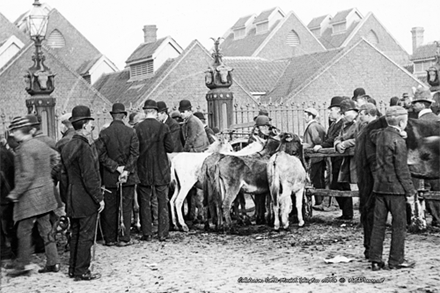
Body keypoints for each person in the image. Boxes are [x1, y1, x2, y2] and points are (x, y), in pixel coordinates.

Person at [6, 115, 60, 277]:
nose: (12, 134)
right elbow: (56, 157)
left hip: (31, 198)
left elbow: (27, 175)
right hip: (46, 195)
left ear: (19, 131)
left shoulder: (23, 149)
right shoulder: (40, 144)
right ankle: (53, 262)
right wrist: (46, 176)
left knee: (23, 230)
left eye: (14, 130)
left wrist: (15, 194)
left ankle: (23, 265)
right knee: (46, 229)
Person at [369, 106, 416, 271]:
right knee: (399, 225)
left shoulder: (380, 135)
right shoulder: (399, 141)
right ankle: (396, 260)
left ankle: (375, 260)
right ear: (402, 122)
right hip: (396, 190)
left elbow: (372, 134)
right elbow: (402, 170)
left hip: (379, 187)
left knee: (378, 224)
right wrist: (410, 191)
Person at [61, 105, 104, 281]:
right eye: (91, 125)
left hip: (72, 196)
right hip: (85, 198)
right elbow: (90, 178)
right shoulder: (85, 148)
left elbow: (62, 175)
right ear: (85, 125)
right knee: (86, 235)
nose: (91, 128)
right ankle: (82, 271)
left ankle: (73, 268)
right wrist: (99, 199)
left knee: (76, 233)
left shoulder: (67, 146)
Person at [98, 103, 139, 247]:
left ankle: (109, 239)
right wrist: (126, 170)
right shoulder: (131, 132)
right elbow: (135, 154)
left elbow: (101, 155)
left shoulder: (104, 133)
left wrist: (116, 167)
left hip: (110, 176)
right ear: (124, 116)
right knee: (126, 206)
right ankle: (124, 238)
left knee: (110, 208)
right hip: (127, 177)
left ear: (111, 115)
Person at [135, 99, 174, 241]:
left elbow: (135, 149)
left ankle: (147, 233)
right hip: (161, 169)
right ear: (156, 112)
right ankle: (163, 233)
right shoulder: (163, 128)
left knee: (144, 201)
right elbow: (170, 148)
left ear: (145, 112)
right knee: (162, 201)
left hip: (143, 169)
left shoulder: (138, 128)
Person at [314, 96, 350, 213]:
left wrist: (322, 146)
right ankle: (346, 212)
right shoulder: (334, 124)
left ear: (339, 110)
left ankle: (347, 212)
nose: (329, 112)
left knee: (340, 184)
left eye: (332, 110)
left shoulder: (342, 123)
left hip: (340, 158)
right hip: (334, 158)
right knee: (337, 184)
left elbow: (333, 139)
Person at [411, 88, 440, 227]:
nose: (413, 105)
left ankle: (434, 219)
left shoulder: (418, 123)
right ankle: (436, 219)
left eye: (415, 103)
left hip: (425, 163)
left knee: (426, 189)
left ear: (422, 104)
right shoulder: (437, 119)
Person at [334, 99, 359, 220]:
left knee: (361, 184)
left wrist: (344, 144)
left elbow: (359, 139)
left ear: (353, 112)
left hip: (358, 160)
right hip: (346, 160)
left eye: (345, 113)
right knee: (342, 184)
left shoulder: (359, 123)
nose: (343, 116)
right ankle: (347, 213)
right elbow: (338, 137)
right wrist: (338, 143)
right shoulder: (345, 125)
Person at [302, 108, 326, 207]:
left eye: (306, 115)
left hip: (314, 157)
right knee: (319, 179)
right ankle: (319, 201)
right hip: (319, 157)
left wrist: (304, 145)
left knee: (315, 179)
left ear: (311, 116)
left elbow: (316, 140)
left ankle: (319, 201)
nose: (304, 117)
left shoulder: (312, 126)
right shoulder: (318, 125)